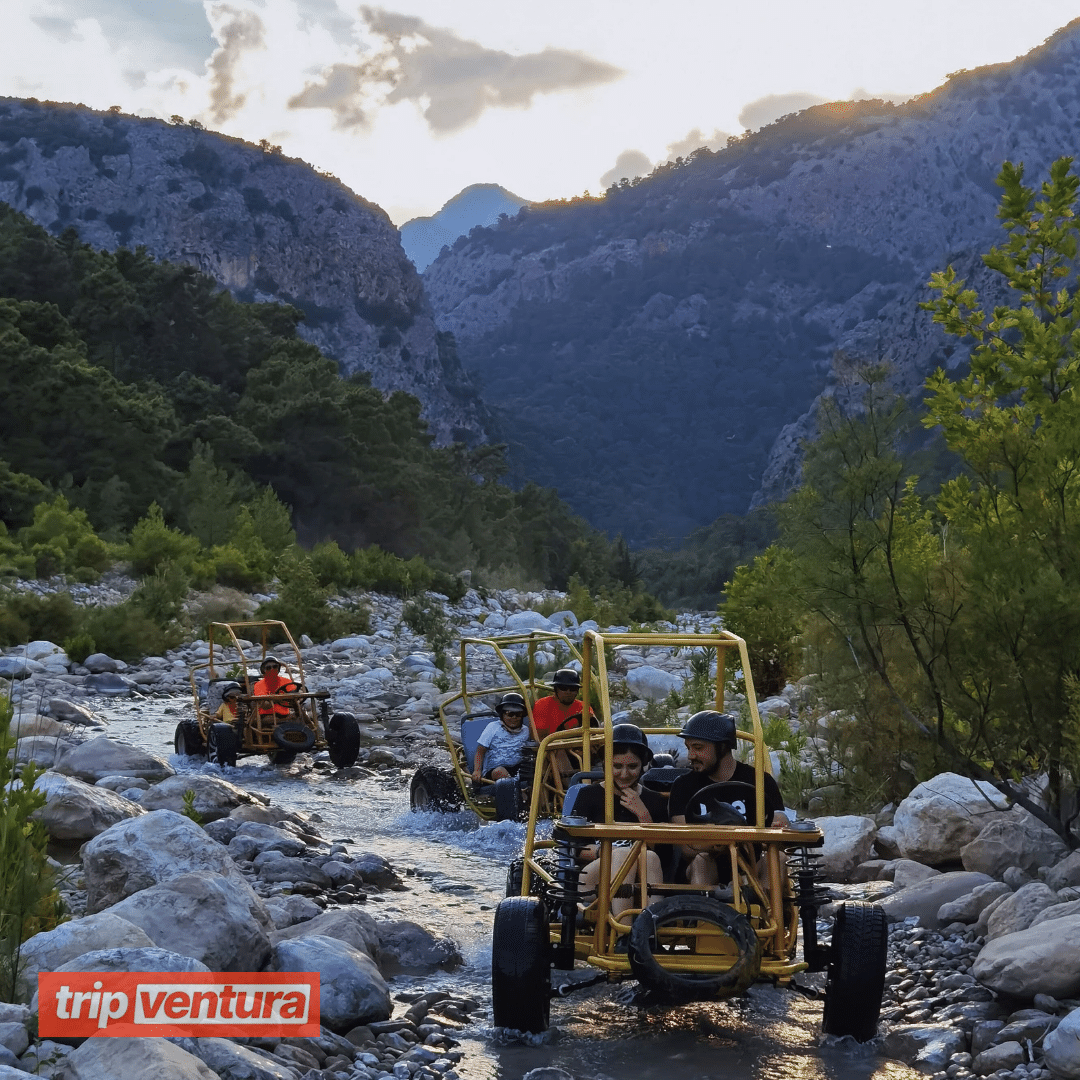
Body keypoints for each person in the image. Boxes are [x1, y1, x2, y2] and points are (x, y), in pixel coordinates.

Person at [667, 710, 789, 886]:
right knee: (701, 860)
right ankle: (703, 904)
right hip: (708, 864)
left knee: (778, 857)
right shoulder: (683, 785)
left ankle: (764, 903)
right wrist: (721, 842)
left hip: (752, 864)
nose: (690, 756)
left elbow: (778, 821)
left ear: (723, 747)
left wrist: (779, 826)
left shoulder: (760, 781)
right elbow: (687, 846)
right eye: (688, 748)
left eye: (698, 748)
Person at [575, 725, 667, 915]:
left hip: (644, 874)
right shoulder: (588, 796)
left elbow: (663, 853)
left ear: (642, 766)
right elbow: (577, 848)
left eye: (632, 767)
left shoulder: (654, 800)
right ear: (605, 764)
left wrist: (643, 815)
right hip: (594, 877)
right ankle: (622, 928)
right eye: (617, 766)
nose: (624, 775)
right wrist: (611, 852)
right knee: (623, 854)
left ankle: (651, 926)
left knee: (649, 856)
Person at [472, 693, 532, 784]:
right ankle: (516, 788)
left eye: (518, 714)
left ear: (522, 715)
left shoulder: (525, 730)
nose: (514, 718)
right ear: (502, 714)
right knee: (499, 772)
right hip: (495, 770)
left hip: (518, 767)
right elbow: (480, 750)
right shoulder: (493, 727)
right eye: (510, 714)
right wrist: (477, 770)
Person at [531, 668, 593, 738]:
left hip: (580, 743)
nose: (568, 692)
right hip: (551, 743)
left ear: (577, 691)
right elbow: (539, 737)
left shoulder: (584, 707)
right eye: (563, 688)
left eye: (573, 689)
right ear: (556, 689)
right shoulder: (542, 705)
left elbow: (594, 732)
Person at [252, 656, 292, 721]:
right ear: (264, 670)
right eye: (268, 668)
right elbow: (264, 705)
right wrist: (279, 699)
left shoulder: (287, 682)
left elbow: (296, 694)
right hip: (267, 715)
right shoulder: (259, 685)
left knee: (302, 715)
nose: (272, 669)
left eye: (275, 667)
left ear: (278, 668)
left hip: (285, 714)